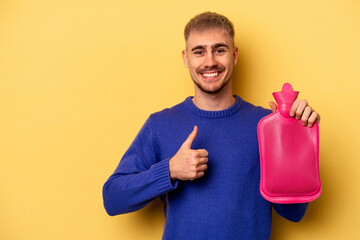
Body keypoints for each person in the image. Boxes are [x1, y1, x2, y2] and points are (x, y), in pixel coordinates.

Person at [103, 12, 321, 239]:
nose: (210, 62)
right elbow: (112, 198)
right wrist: (170, 171)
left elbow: (294, 213)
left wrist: (293, 141)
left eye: (220, 50)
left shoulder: (266, 125)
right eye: (199, 51)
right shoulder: (160, 124)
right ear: (186, 58)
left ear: (234, 55)